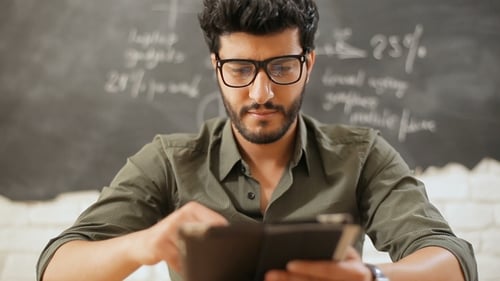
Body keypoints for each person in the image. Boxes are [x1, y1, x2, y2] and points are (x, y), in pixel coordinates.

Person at [37, 0, 478, 280]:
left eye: (282, 67)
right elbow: (55, 269)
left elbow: (452, 260)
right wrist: (145, 243)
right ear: (216, 66)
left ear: (309, 63)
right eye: (241, 69)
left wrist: (372, 278)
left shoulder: (361, 156)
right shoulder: (169, 162)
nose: (261, 93)